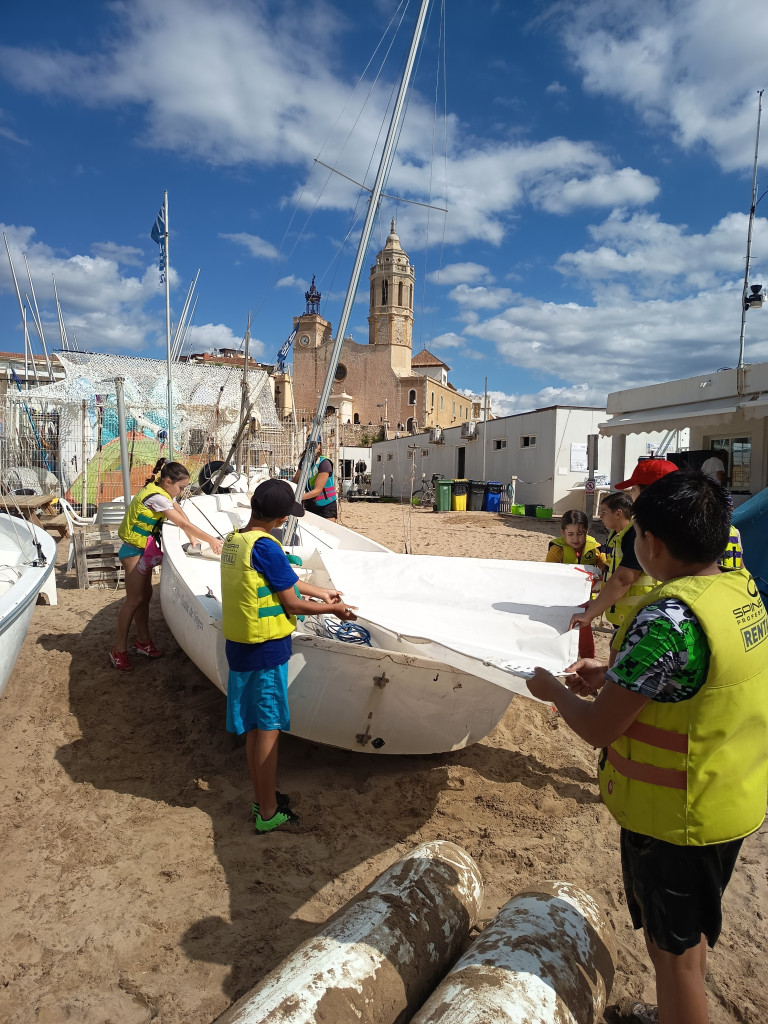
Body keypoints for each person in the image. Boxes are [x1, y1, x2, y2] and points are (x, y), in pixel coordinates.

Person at [526, 471, 768, 1024]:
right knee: (687, 939)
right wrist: (613, 671)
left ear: (652, 544)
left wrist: (554, 692)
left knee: (674, 955)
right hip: (728, 798)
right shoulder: (738, 589)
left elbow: (598, 728)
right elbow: (694, 675)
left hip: (676, 819)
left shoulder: (664, 618)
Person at [221, 479, 357, 835]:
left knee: (255, 729)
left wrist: (323, 591)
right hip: (266, 652)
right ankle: (268, 813)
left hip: (241, 647)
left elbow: (284, 580)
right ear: (280, 518)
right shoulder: (268, 547)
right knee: (269, 730)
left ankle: (262, 796)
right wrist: (334, 609)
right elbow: (292, 601)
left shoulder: (236, 540)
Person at [112, 458, 224, 671]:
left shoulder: (160, 491)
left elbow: (180, 512)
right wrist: (210, 539)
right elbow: (180, 522)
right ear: (168, 481)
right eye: (180, 487)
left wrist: (192, 537)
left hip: (141, 552)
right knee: (134, 600)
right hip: (133, 553)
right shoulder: (156, 498)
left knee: (145, 597)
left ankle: (143, 642)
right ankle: (118, 650)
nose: (181, 492)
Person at [570, 459, 678, 651]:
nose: (632, 496)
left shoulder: (643, 530)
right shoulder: (692, 525)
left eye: (633, 490)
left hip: (642, 621)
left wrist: (590, 614)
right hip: (676, 619)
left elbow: (624, 578)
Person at [545, 510, 607, 658]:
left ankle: (586, 659)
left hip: (585, 601)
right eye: (571, 534)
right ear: (563, 532)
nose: (575, 539)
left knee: (584, 629)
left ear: (587, 531)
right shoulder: (556, 551)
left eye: (580, 534)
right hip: (561, 599)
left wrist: (600, 578)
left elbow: (608, 570)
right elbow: (547, 575)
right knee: (561, 629)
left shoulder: (596, 549)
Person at [292, 439, 338, 521]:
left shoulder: (324, 463)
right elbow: (295, 480)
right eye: (309, 444)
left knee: (327, 532)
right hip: (310, 504)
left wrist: (297, 497)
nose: (312, 447)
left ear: (320, 445)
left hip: (326, 505)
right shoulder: (304, 462)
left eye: (315, 444)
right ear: (306, 445)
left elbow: (317, 490)